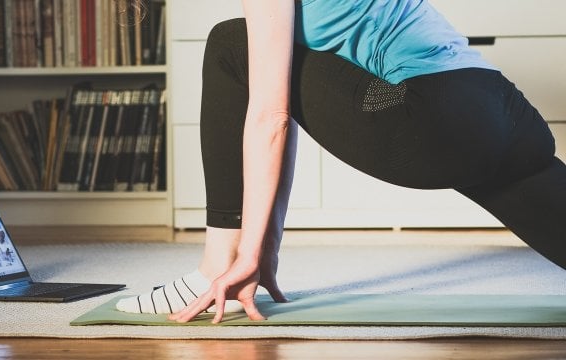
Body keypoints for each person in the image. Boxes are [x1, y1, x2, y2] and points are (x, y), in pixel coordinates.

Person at [115, 0, 566, 323]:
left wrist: (248, 253)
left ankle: (218, 267)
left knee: (230, 43)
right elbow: (285, 105)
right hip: (507, 116)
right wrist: (266, 245)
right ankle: (232, 261)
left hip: (431, 118)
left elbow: (271, 116)